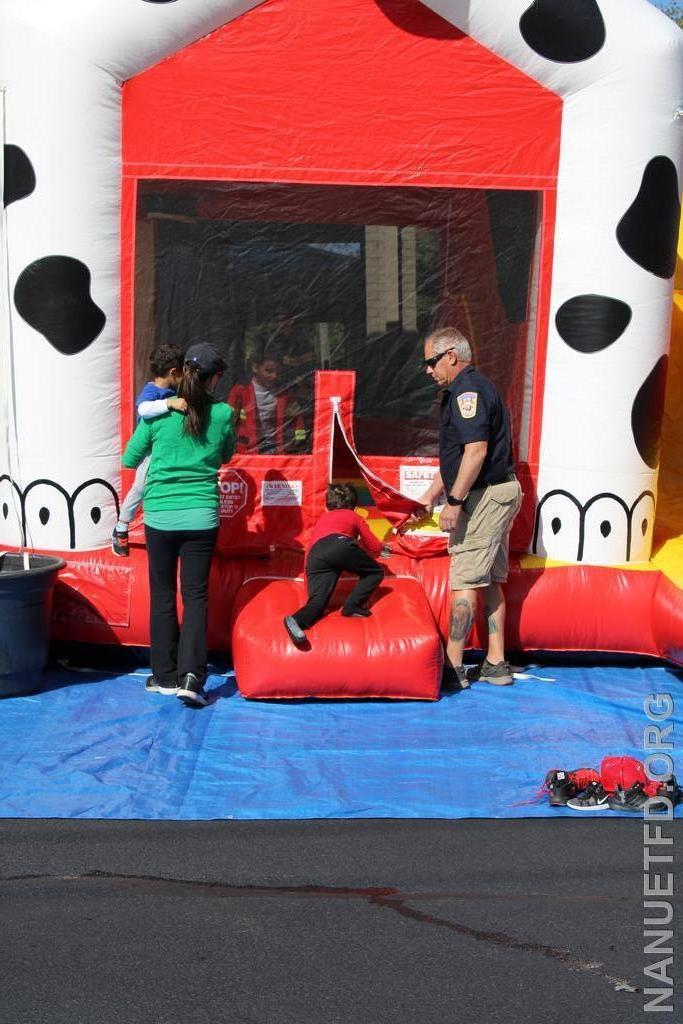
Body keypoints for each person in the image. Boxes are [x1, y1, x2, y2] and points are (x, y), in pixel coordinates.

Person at [122, 343, 235, 707]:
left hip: (160, 516)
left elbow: (129, 457)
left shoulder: (159, 413)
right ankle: (192, 677)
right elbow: (227, 454)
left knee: (163, 595)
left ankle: (164, 676)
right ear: (214, 378)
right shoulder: (223, 413)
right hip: (201, 515)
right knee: (196, 597)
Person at [415, 327, 522, 688]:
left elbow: (474, 453)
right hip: (496, 492)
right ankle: (495, 662)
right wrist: (430, 495)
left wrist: (455, 503)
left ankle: (453, 667)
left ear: (451, 355)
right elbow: (458, 457)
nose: (428, 370)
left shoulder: (468, 391)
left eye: (431, 362)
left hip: (484, 496)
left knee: (463, 579)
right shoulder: (464, 390)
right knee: (490, 579)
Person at [283, 483, 391, 646]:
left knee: (318, 603)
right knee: (374, 572)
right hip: (340, 544)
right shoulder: (353, 516)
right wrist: (383, 549)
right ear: (355, 508)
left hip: (316, 555)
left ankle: (296, 620)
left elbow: (310, 554)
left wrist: (310, 590)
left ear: (327, 508)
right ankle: (352, 606)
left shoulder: (322, 520)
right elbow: (373, 546)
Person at [112, 344, 187, 556]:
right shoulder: (152, 391)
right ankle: (121, 526)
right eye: (182, 372)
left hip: (167, 449)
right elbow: (143, 409)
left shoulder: (173, 390)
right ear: (174, 372)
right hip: (151, 451)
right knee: (140, 487)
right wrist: (170, 404)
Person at [227, 352, 306, 454]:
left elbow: (298, 422)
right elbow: (228, 422)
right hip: (247, 452)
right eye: (269, 371)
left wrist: (298, 446)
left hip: (278, 452)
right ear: (255, 368)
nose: (274, 376)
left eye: (277, 372)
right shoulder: (240, 391)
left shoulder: (285, 393)